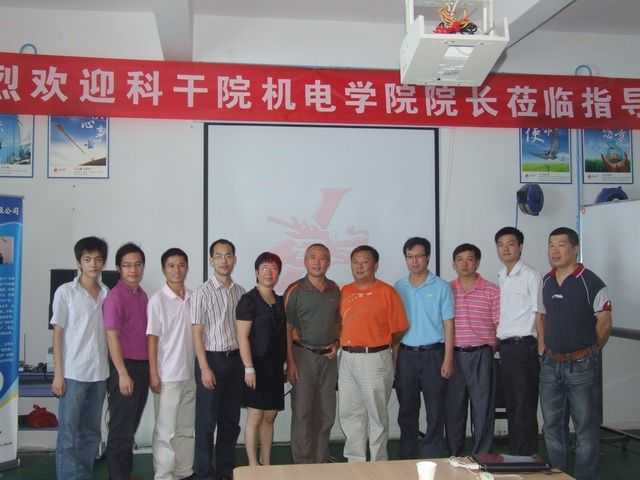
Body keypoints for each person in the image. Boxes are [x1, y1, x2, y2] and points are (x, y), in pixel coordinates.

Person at [540, 227, 612, 480]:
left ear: (575, 248)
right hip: (551, 365)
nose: (555, 250)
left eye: (561, 245)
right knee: (551, 426)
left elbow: (604, 323)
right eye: (551, 245)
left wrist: (588, 352)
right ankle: (558, 475)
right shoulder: (546, 281)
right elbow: (542, 316)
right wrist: (543, 348)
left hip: (582, 365)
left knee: (585, 429)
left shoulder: (591, 282)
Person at [338, 245, 408, 462]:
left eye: (365, 262)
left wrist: (380, 346)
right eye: (355, 262)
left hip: (375, 359)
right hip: (347, 358)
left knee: (376, 414)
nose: (359, 266)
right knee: (350, 413)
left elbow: (400, 328)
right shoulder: (345, 291)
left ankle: (378, 464)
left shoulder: (387, 292)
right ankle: (355, 462)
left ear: (375, 265)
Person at [51, 236, 110, 480]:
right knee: (68, 434)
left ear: (103, 262)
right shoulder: (66, 292)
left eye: (98, 259)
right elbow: (58, 334)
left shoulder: (107, 294)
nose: (93, 264)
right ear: (79, 262)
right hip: (73, 373)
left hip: (99, 373)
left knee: (91, 434)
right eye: (87, 259)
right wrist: (58, 374)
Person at [394, 237, 454, 459]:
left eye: (419, 256)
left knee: (435, 409)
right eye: (410, 257)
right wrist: (394, 358)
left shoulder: (441, 286)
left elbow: (449, 324)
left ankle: (433, 454)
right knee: (407, 409)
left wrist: (448, 359)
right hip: (406, 355)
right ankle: (407, 455)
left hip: (434, 355)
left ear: (428, 257)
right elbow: (396, 326)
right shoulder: (399, 287)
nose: (414, 261)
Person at [191, 239, 245, 480]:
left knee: (230, 421)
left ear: (234, 259)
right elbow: (197, 333)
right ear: (211, 260)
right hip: (211, 361)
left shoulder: (241, 292)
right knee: (206, 422)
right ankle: (204, 473)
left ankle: (225, 470)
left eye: (229, 255)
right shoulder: (201, 293)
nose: (224, 260)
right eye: (219, 256)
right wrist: (204, 368)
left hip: (235, 361)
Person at [284, 243, 341, 464]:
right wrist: (290, 362)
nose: (318, 262)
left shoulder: (335, 289)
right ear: (305, 261)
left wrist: (337, 342)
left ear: (329, 262)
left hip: (329, 360)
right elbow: (287, 328)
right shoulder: (295, 290)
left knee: (326, 413)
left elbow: (338, 322)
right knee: (303, 413)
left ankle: (321, 461)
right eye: (313, 257)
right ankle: (303, 465)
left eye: (323, 258)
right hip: (303, 357)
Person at [494, 227, 545, 455]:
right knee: (512, 403)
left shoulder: (530, 275)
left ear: (520, 247)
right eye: (501, 245)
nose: (505, 249)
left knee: (524, 403)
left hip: (524, 346)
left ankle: (527, 456)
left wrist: (541, 348)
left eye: (511, 244)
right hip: (506, 348)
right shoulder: (501, 275)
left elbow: (539, 313)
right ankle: (516, 453)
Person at [446, 243, 499, 456]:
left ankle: (482, 456)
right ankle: (454, 455)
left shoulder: (492, 290)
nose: (464, 264)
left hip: (481, 355)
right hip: (453, 355)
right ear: (453, 264)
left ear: (477, 263)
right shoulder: (447, 290)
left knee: (482, 409)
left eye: (469, 259)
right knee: (454, 409)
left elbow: (499, 325)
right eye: (460, 259)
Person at [147, 248, 195, 480]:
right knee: (166, 431)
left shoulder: (193, 297)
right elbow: (152, 338)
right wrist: (153, 373)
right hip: (167, 375)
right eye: (171, 265)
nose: (177, 270)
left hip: (190, 374)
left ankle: (184, 472)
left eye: (181, 265)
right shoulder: (157, 300)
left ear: (187, 267)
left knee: (186, 428)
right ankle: (164, 475)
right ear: (164, 269)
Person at [103, 242, 150, 480]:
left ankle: (125, 474)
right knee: (121, 429)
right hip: (124, 367)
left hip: (142, 367)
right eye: (127, 265)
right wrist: (122, 373)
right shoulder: (115, 297)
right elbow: (111, 337)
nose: (133, 270)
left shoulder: (142, 295)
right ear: (119, 268)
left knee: (130, 427)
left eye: (137, 265)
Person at [236, 252, 287, 466]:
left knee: (269, 417)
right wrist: (248, 368)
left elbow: (284, 335)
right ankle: (253, 466)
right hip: (255, 367)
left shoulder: (280, 300)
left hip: (275, 368)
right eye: (265, 268)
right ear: (257, 272)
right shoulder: (248, 300)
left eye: (274, 268)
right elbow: (242, 337)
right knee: (255, 416)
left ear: (278, 273)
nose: (269, 272)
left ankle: (266, 463)